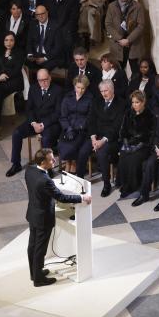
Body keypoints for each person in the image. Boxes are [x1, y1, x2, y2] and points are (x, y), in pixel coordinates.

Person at [25, 148, 91, 287]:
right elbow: (61, 197)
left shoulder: (30, 170)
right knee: (40, 249)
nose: (54, 160)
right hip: (43, 218)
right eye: (51, 159)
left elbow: (45, 179)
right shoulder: (44, 181)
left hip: (33, 214)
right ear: (43, 162)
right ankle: (38, 280)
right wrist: (82, 197)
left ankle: (34, 273)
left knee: (32, 245)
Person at [6, 68, 62, 177]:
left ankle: (48, 168)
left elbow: (58, 113)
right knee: (16, 133)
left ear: (50, 78)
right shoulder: (34, 88)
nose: (43, 83)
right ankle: (16, 164)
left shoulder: (58, 90)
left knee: (46, 138)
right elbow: (29, 109)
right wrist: (33, 123)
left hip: (50, 123)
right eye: (40, 80)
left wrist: (43, 124)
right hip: (35, 122)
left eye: (45, 80)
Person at [76, 80, 127, 197]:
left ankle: (106, 184)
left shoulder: (121, 104)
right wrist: (93, 138)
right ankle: (79, 180)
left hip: (111, 138)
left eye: (106, 91)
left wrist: (102, 141)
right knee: (83, 151)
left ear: (112, 90)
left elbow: (117, 126)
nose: (104, 94)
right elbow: (91, 120)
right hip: (96, 135)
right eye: (102, 91)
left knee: (101, 153)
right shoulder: (96, 101)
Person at [116, 90, 153, 198]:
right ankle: (124, 183)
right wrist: (126, 142)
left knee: (133, 159)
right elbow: (123, 131)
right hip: (129, 143)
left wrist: (138, 145)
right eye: (133, 102)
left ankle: (131, 186)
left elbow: (150, 135)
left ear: (143, 102)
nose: (134, 105)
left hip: (143, 146)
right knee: (123, 155)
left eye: (137, 102)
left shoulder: (149, 115)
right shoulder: (128, 113)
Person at [0, 31, 25, 128]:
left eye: (11, 40)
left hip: (14, 80)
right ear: (3, 41)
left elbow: (16, 69)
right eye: (6, 40)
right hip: (0, 78)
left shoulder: (20, 52)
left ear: (15, 41)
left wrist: (1, 77)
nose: (9, 43)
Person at [58, 75, 93, 174]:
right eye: (78, 87)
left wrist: (81, 126)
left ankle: (73, 163)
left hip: (82, 129)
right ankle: (69, 162)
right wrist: (68, 128)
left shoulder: (90, 99)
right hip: (68, 128)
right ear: (74, 86)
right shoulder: (67, 97)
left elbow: (90, 117)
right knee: (63, 144)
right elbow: (63, 116)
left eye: (83, 88)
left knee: (74, 144)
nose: (80, 90)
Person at [104, 0, 146, 74]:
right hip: (117, 45)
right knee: (118, 72)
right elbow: (108, 24)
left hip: (134, 44)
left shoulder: (138, 6)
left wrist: (128, 40)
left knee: (136, 73)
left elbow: (141, 26)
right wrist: (119, 39)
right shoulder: (111, 6)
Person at [25, 5, 62, 71]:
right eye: (38, 14)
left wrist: (45, 58)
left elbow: (57, 47)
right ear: (36, 16)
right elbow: (29, 41)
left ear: (47, 13)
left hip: (49, 56)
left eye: (42, 13)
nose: (40, 16)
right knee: (24, 64)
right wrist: (30, 54)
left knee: (44, 69)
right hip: (36, 55)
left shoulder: (55, 26)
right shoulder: (33, 24)